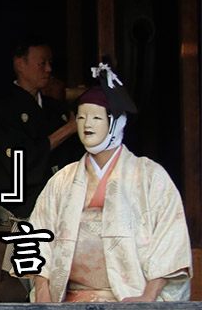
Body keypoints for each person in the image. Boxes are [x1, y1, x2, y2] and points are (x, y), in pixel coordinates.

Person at [25, 63, 191, 302]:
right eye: (81, 117)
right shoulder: (62, 180)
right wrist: (43, 292)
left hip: (133, 298)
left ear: (117, 122)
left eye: (96, 117)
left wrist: (148, 297)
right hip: (68, 300)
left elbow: (171, 240)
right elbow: (38, 235)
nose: (87, 124)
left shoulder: (150, 176)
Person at [0, 37, 81, 220]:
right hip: (25, 202)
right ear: (20, 64)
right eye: (42, 63)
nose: (49, 69)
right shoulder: (4, 111)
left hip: (62, 197)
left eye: (50, 63)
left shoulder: (55, 109)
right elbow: (19, 160)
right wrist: (68, 129)